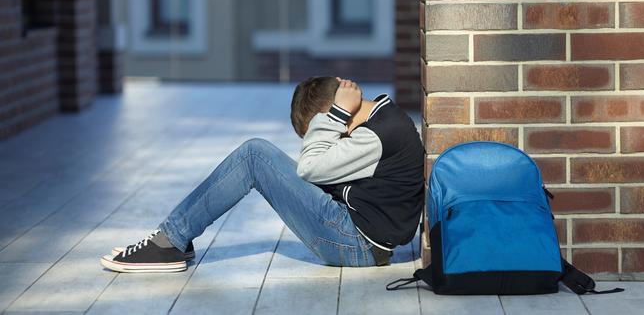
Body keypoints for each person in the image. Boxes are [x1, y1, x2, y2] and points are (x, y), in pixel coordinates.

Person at [100, 76, 424, 273]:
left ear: (336, 115)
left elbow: (310, 167)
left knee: (255, 154)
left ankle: (169, 241)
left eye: (324, 129)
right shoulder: (384, 122)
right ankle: (175, 239)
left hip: (355, 244)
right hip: (361, 236)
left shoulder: (375, 135)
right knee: (261, 156)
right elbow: (319, 176)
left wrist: (336, 114)